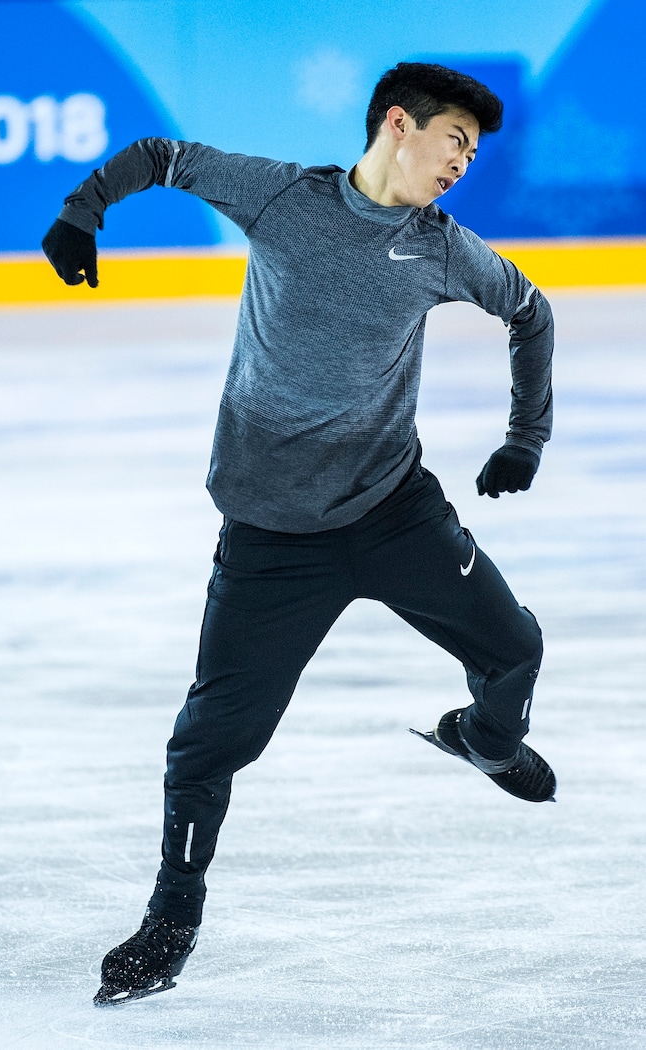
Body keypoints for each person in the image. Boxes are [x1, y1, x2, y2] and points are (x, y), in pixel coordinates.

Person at [42, 62, 556, 1006]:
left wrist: (525, 439)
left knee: (516, 648)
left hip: (394, 509)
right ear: (398, 125)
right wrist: (85, 209)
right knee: (209, 744)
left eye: (474, 155)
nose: (463, 165)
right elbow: (162, 155)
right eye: (455, 143)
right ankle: (171, 919)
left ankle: (483, 739)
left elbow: (531, 310)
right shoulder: (283, 197)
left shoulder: (443, 250)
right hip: (272, 536)